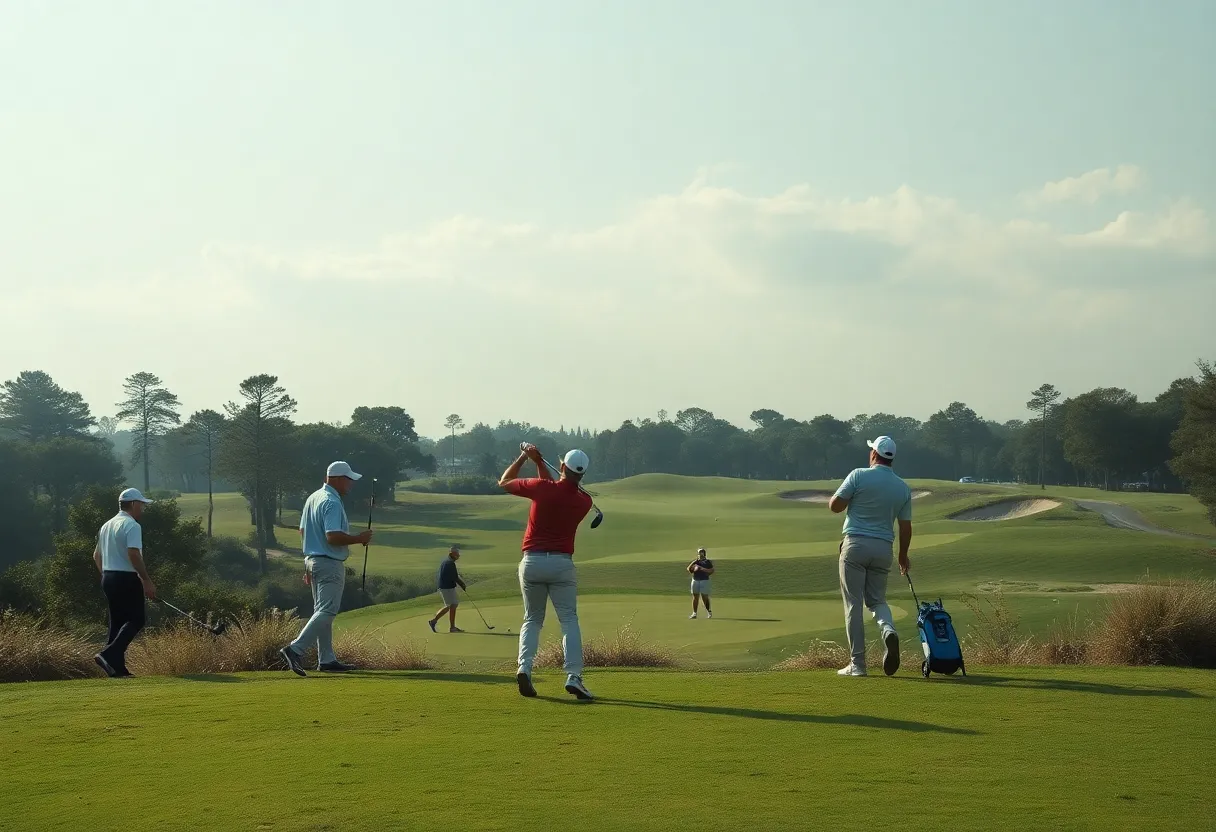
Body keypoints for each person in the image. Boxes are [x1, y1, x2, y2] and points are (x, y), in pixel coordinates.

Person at [500, 443, 594, 700]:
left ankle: (524, 668)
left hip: (532, 562)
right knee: (568, 620)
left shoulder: (543, 489)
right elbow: (556, 490)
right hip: (562, 565)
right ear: (582, 474)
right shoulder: (585, 501)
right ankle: (574, 676)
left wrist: (524, 457)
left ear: (562, 466)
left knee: (532, 619)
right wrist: (540, 464)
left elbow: (505, 481)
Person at [827, 435, 912, 678]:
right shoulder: (903, 487)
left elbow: (835, 506)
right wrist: (903, 557)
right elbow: (905, 527)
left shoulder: (858, 475)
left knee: (853, 603)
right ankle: (888, 631)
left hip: (855, 546)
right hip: (884, 549)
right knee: (877, 601)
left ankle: (858, 665)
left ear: (874, 454)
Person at [279, 461, 373, 677]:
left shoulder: (313, 497)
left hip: (313, 561)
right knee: (328, 610)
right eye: (348, 480)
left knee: (322, 611)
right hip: (329, 562)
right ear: (338, 479)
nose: (350, 484)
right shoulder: (331, 502)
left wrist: (310, 561)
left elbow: (303, 531)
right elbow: (332, 537)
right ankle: (295, 649)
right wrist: (359, 538)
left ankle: (327, 659)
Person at [92, 488, 157, 678]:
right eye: (142, 505)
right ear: (134, 504)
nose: (142, 509)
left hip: (108, 576)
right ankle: (108, 654)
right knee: (137, 619)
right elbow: (133, 553)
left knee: (118, 622)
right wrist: (146, 580)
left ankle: (116, 669)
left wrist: (106, 575)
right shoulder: (132, 525)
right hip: (126, 577)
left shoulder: (107, 525)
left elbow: (96, 555)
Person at [428, 546, 467, 633]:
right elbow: (455, 577)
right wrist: (462, 584)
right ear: (452, 554)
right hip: (447, 588)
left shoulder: (447, 562)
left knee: (452, 605)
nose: (458, 556)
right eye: (457, 554)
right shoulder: (450, 563)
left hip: (446, 587)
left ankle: (439, 623)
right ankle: (448, 626)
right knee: (451, 605)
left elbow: (454, 577)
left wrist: (461, 584)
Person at [686, 547, 715, 619]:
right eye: (699, 553)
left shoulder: (707, 562)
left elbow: (711, 571)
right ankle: (694, 613)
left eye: (701, 552)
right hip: (695, 580)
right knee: (695, 597)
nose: (699, 554)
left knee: (704, 597)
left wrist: (701, 568)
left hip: (704, 581)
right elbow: (689, 569)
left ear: (704, 553)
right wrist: (693, 563)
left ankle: (709, 612)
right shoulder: (696, 562)